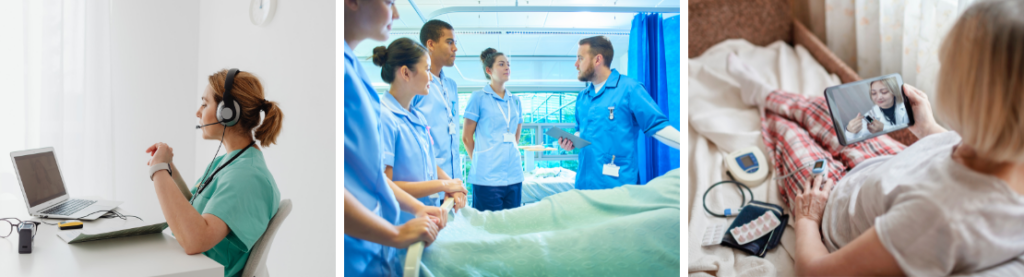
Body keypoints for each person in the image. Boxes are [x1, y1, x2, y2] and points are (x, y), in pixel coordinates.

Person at [728, 1, 1024, 275]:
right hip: (887, 170)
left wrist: (807, 218)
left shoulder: (935, 218)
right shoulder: (999, 145)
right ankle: (765, 94)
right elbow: (957, 158)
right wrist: (929, 129)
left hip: (831, 207)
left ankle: (765, 104)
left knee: (788, 132)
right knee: (823, 110)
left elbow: (815, 271)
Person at [342, 1, 447, 276]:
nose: (397, 13)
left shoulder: (352, 69)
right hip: (358, 248)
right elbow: (326, 182)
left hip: (378, 246)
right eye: (389, 2)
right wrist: (394, 233)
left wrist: (418, 208)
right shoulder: (337, 71)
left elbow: (373, 178)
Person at [145, 69, 283, 277]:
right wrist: (170, 169)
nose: (198, 112)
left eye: (204, 103)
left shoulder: (246, 176)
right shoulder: (230, 162)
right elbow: (197, 211)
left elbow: (195, 240)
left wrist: (159, 171)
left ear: (227, 112)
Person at [557, 36, 678, 190]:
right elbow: (582, 133)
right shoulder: (582, 97)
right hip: (584, 184)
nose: (576, 64)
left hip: (618, 186)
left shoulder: (629, 89)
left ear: (597, 59)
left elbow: (658, 127)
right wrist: (572, 143)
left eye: (580, 58)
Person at [372, 37, 468, 223]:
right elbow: (386, 185)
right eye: (426, 69)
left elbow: (431, 162)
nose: (431, 77)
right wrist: (443, 184)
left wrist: (452, 185)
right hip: (402, 222)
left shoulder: (417, 116)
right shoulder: (385, 117)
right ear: (406, 73)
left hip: (425, 218)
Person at [462, 48, 525, 211]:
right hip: (487, 177)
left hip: (514, 175)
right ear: (488, 70)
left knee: (511, 225)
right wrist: (481, 162)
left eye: (508, 65)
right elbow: (467, 138)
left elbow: (516, 137)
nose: (507, 68)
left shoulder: (516, 101)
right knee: (488, 229)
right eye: (502, 64)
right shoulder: (478, 97)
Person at [413, 19, 461, 182]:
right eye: (449, 42)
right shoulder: (416, 84)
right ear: (431, 45)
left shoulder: (451, 86)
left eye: (455, 43)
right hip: (428, 179)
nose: (455, 48)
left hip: (454, 179)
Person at [844, 78, 910, 141]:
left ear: (894, 91)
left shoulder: (906, 107)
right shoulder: (869, 116)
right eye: (874, 93)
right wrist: (850, 131)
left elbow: (908, 132)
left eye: (884, 92)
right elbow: (855, 139)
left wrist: (883, 128)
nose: (879, 97)